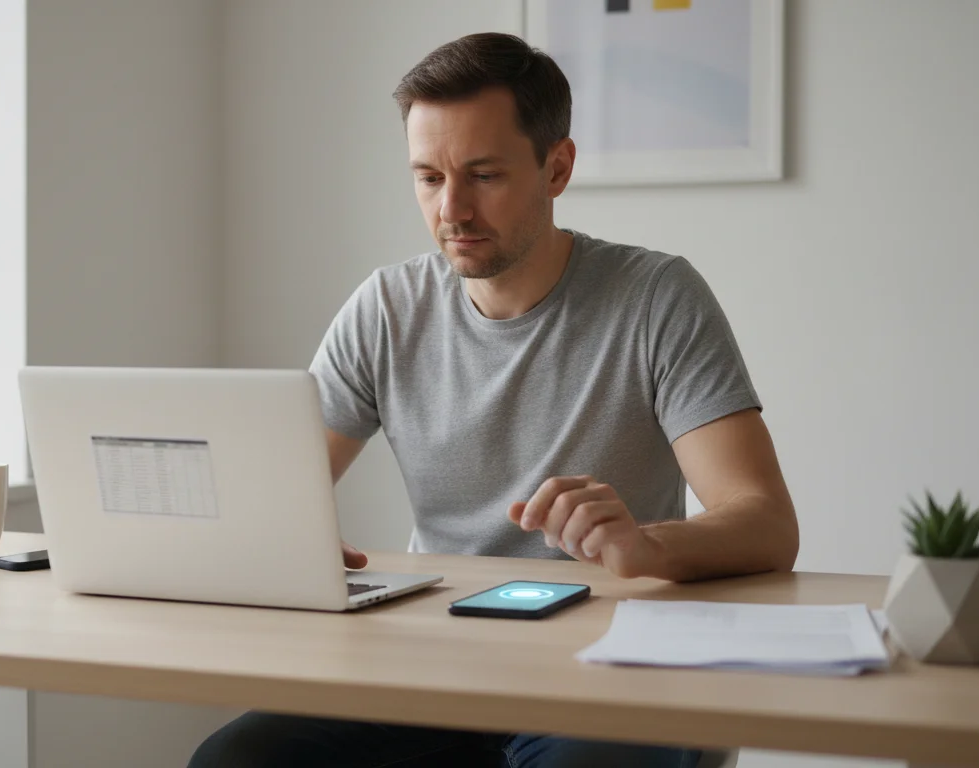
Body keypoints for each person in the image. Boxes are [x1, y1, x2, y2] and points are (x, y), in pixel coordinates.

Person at [189, 31, 798, 768]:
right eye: (427, 178)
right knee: (235, 760)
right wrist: (287, 541)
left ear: (557, 167)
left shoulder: (655, 299)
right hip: (427, 663)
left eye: (483, 175)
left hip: (602, 668)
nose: (453, 209)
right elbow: (275, 500)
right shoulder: (387, 308)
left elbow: (765, 523)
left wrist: (648, 545)